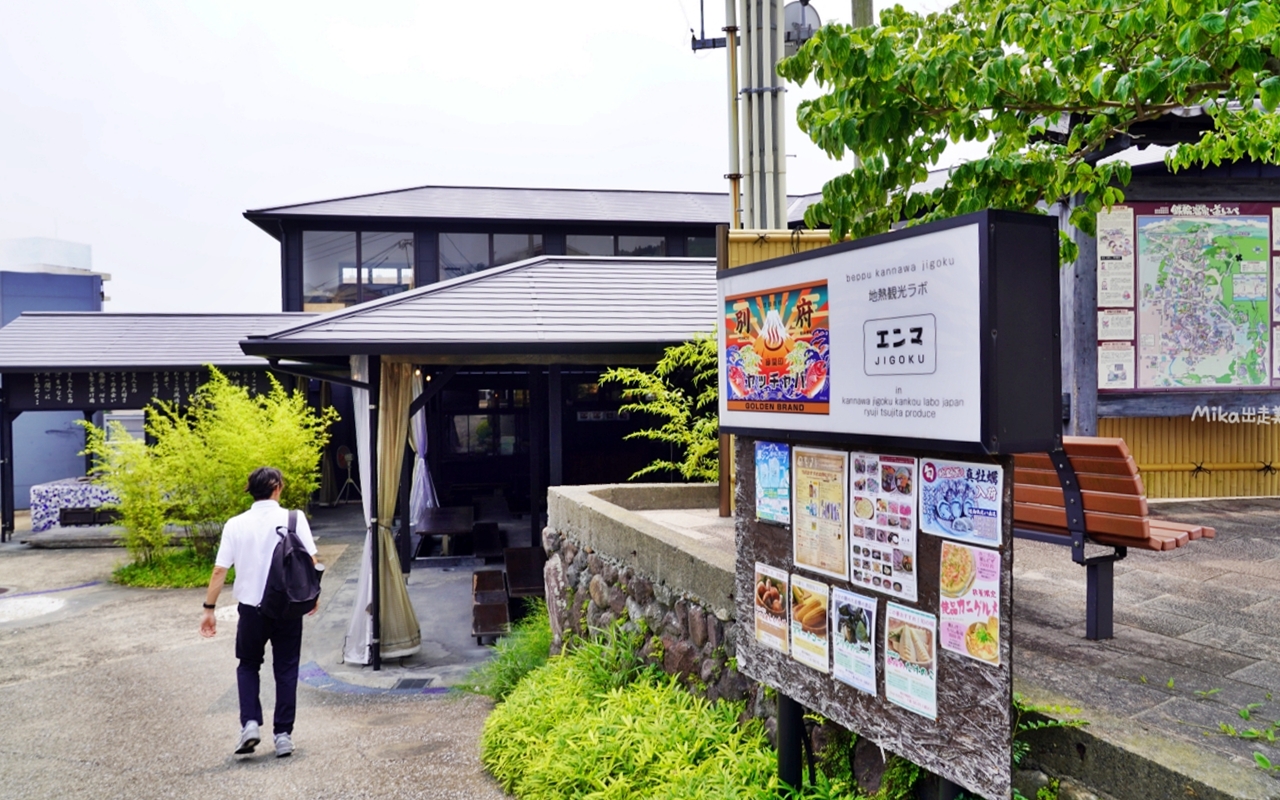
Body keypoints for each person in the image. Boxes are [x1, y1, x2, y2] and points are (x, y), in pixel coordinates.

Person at [199, 466, 319, 758]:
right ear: (277, 487)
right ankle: (283, 736)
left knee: (248, 664)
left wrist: (209, 608)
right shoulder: (294, 518)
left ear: (251, 491)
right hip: (288, 608)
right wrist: (312, 595)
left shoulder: (235, 524)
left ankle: (250, 724)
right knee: (286, 668)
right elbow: (312, 562)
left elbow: (219, 571)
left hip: (252, 609)